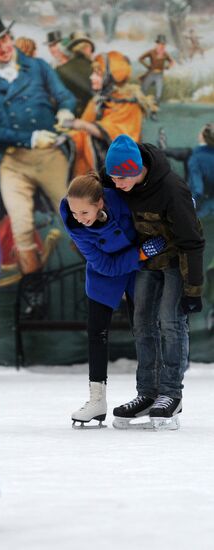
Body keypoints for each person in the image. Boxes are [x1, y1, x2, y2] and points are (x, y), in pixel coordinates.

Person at [102, 134, 205, 430]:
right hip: (148, 260)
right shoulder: (117, 177)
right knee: (142, 321)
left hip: (176, 261)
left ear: (137, 169)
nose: (115, 184)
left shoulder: (172, 190)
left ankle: (171, 393)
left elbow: (193, 241)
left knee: (171, 322)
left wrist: (193, 289)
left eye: (120, 178)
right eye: (112, 177)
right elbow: (94, 185)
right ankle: (147, 392)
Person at [0, 12, 76, 276]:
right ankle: (33, 290)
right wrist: (29, 138)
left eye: (5, 39)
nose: (3, 48)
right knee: (21, 227)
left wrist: (65, 111)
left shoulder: (39, 67)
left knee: (77, 216)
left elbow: (65, 96)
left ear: (11, 38)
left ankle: (110, 277)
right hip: (12, 163)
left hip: (49, 155)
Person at [59, 171, 166, 427]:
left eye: (84, 212)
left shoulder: (119, 198)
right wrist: (140, 254)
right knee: (97, 332)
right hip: (105, 274)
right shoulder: (76, 227)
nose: (78, 219)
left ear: (100, 203)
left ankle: (157, 393)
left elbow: (154, 203)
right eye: (74, 212)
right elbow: (106, 266)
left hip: (137, 274)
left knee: (144, 329)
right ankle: (97, 401)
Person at [64, 50, 155, 176]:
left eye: (98, 73)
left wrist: (80, 124)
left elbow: (118, 135)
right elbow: (81, 132)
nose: (92, 77)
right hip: (97, 165)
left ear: (110, 76)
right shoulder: (98, 100)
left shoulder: (129, 104)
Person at [158, 123, 214, 218]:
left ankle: (162, 151)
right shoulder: (198, 155)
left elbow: (198, 190)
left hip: (199, 206)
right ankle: (164, 150)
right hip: (210, 196)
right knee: (187, 152)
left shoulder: (196, 159)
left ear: (202, 136)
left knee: (167, 172)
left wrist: (185, 207)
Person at [56, 32, 94, 117]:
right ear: (88, 49)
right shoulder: (98, 71)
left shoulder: (59, 70)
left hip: (66, 119)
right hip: (92, 120)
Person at [139, 35, 174, 107]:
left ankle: (154, 112)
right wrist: (147, 66)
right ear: (157, 44)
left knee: (158, 94)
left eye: (164, 44)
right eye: (161, 44)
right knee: (143, 90)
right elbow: (140, 59)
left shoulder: (165, 54)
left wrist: (168, 66)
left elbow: (171, 61)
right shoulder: (151, 52)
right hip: (151, 74)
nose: (162, 46)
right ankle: (140, 108)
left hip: (159, 75)